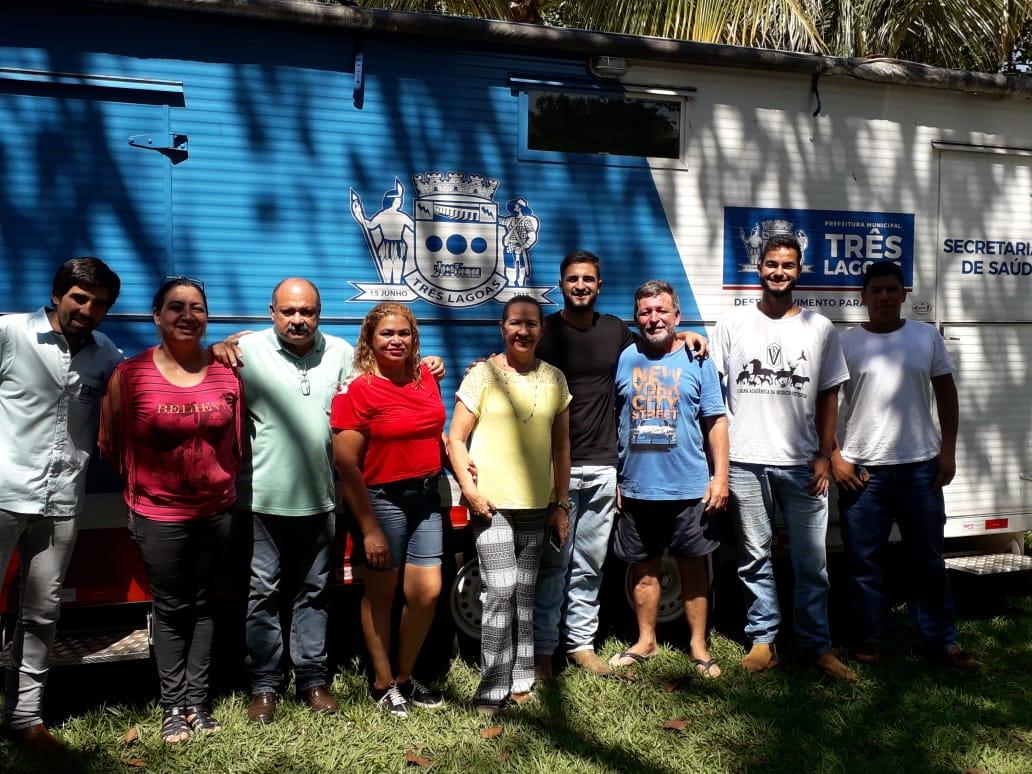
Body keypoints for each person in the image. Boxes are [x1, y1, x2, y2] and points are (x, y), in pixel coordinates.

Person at [533, 251, 708, 679]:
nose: (580, 285)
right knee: (552, 565)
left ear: (599, 285)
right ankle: (542, 652)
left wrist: (686, 336)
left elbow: (658, 340)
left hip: (603, 466)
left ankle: (580, 645)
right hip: (552, 468)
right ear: (561, 284)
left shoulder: (615, 332)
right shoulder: (545, 331)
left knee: (589, 565)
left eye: (588, 279)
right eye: (573, 279)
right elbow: (508, 359)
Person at [99, 276, 243, 743]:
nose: (187, 315)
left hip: (216, 511)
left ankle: (197, 704)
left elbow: (238, 439)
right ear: (156, 316)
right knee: (170, 606)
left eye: (197, 307)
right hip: (158, 515)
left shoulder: (227, 372)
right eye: (176, 307)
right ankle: (171, 706)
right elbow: (111, 443)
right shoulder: (131, 374)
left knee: (202, 605)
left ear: (207, 316)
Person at [712, 234, 857, 681]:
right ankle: (763, 641)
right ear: (759, 269)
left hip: (802, 463)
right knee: (755, 556)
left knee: (811, 561)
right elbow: (714, 394)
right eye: (771, 264)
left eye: (787, 265)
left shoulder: (819, 328)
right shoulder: (731, 324)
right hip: (745, 462)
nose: (779, 272)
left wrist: (824, 452)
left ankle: (816, 646)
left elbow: (830, 394)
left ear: (799, 271)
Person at [0, 257, 121, 755]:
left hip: (61, 502)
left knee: (42, 614)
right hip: (4, 494)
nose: (87, 309)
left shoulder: (106, 354)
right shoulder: (10, 333)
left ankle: (26, 720)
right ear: (57, 295)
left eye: (98, 304)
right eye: (79, 298)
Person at [832, 260, 978, 671]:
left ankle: (941, 640)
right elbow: (826, 402)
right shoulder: (846, 342)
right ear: (863, 296)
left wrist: (947, 452)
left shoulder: (925, 336)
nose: (883, 296)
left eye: (891, 290)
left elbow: (947, 396)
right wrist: (834, 454)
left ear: (903, 295)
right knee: (864, 562)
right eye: (875, 290)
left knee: (928, 559)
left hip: (920, 467)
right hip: (863, 473)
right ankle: (869, 638)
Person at [231, 279, 353, 722]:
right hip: (262, 501)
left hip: (321, 501)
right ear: (272, 312)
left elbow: (375, 390)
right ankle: (264, 685)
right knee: (262, 594)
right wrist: (216, 349)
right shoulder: (244, 353)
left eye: (308, 311)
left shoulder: (341, 353)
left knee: (316, 593)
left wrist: (425, 366)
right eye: (288, 311)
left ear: (319, 313)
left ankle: (313, 680)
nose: (298, 320)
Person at [448, 295, 571, 716]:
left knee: (523, 592)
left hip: (537, 505)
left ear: (541, 329)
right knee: (499, 591)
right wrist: (470, 490)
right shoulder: (482, 376)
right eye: (516, 323)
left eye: (532, 324)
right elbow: (455, 439)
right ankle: (491, 687)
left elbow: (561, 445)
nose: (524, 331)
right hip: (492, 506)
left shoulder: (555, 378)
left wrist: (561, 504)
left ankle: (522, 677)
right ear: (502, 328)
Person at [330, 303, 448, 718]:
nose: (396, 340)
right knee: (380, 595)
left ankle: (404, 676)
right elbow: (346, 464)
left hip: (426, 498)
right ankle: (381, 683)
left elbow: (435, 428)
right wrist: (369, 529)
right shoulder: (357, 390)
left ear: (414, 338)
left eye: (404, 333)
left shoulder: (425, 379)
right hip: (383, 501)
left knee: (427, 592)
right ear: (370, 340)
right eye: (386, 334)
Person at [609, 281, 729, 678]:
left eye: (661, 311)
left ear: (677, 316)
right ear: (636, 317)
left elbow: (715, 420)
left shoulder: (698, 359)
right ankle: (647, 641)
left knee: (694, 569)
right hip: (637, 488)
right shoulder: (625, 357)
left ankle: (698, 645)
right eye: (645, 312)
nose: (653, 318)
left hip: (690, 487)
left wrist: (720, 477)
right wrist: (616, 478)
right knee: (643, 570)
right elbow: (609, 419)